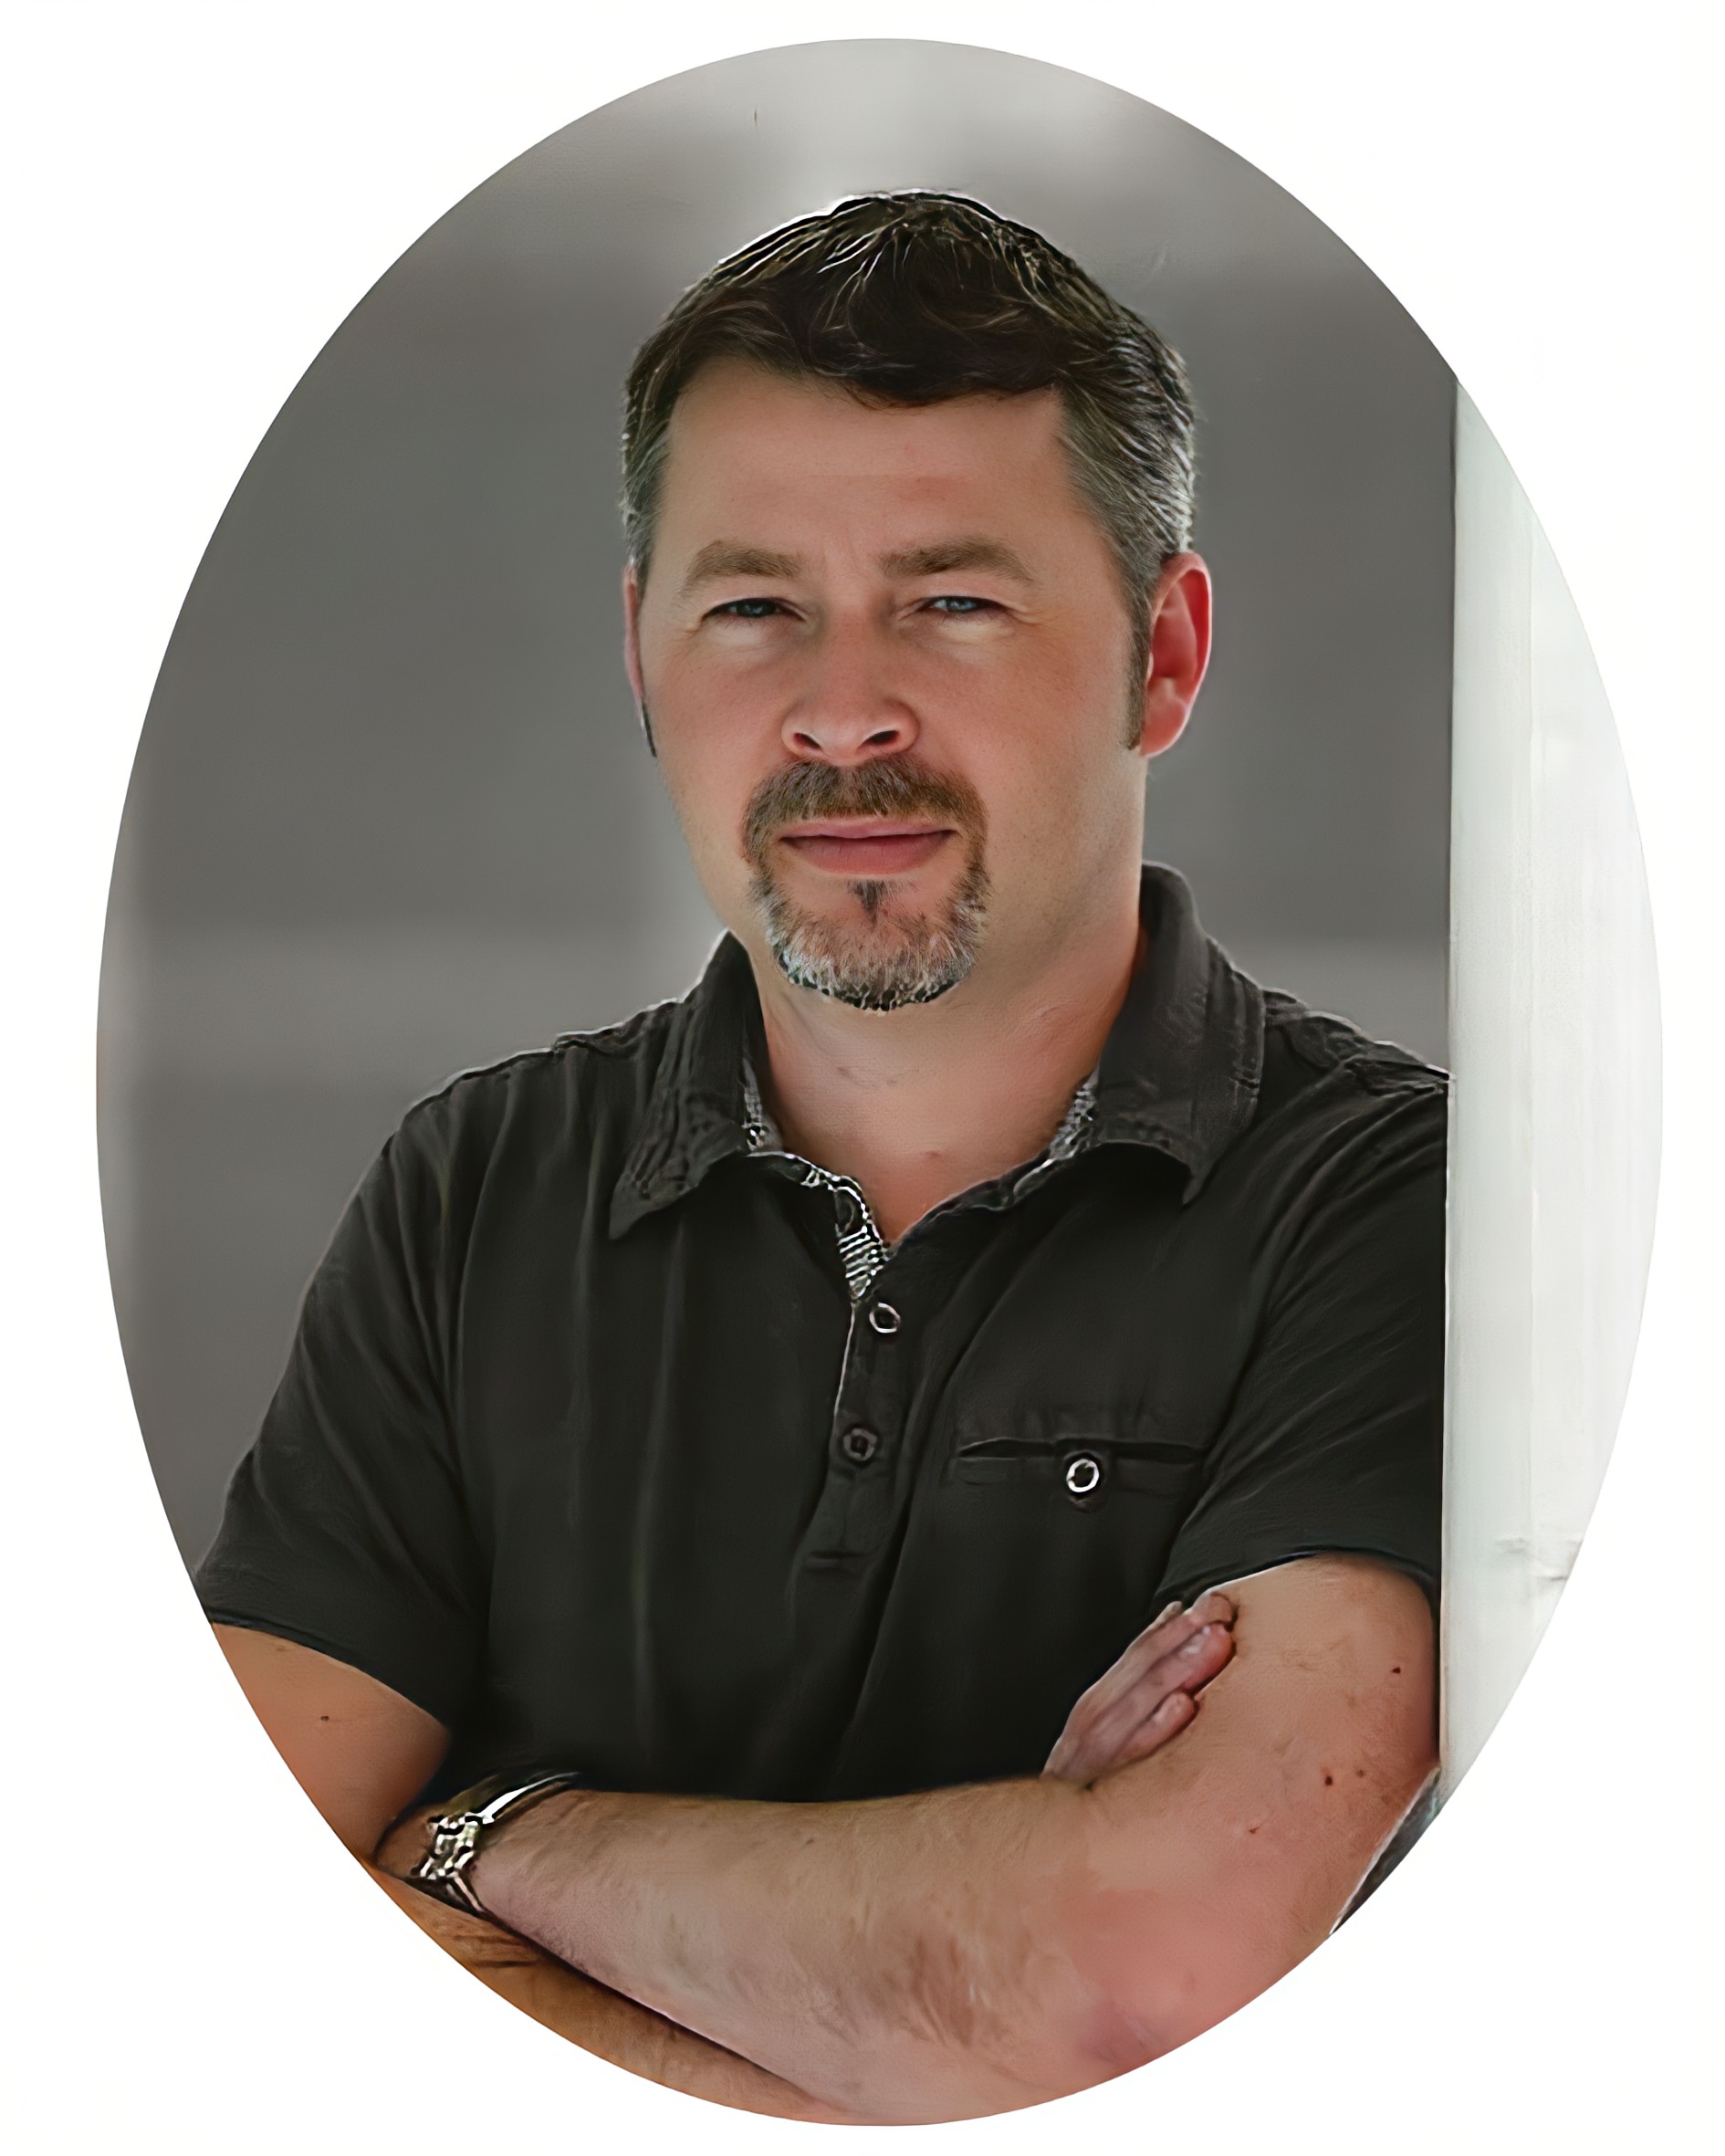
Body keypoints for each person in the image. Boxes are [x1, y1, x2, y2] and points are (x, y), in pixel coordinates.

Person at [199, 193, 1446, 2125]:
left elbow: (1137, 1982)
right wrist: (958, 1968)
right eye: (754, 605)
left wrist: (486, 1839)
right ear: (640, 656)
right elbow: (197, 1956)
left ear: (1164, 654)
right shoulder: (472, 1191)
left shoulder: (1395, 1209)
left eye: (952, 602)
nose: (844, 709)